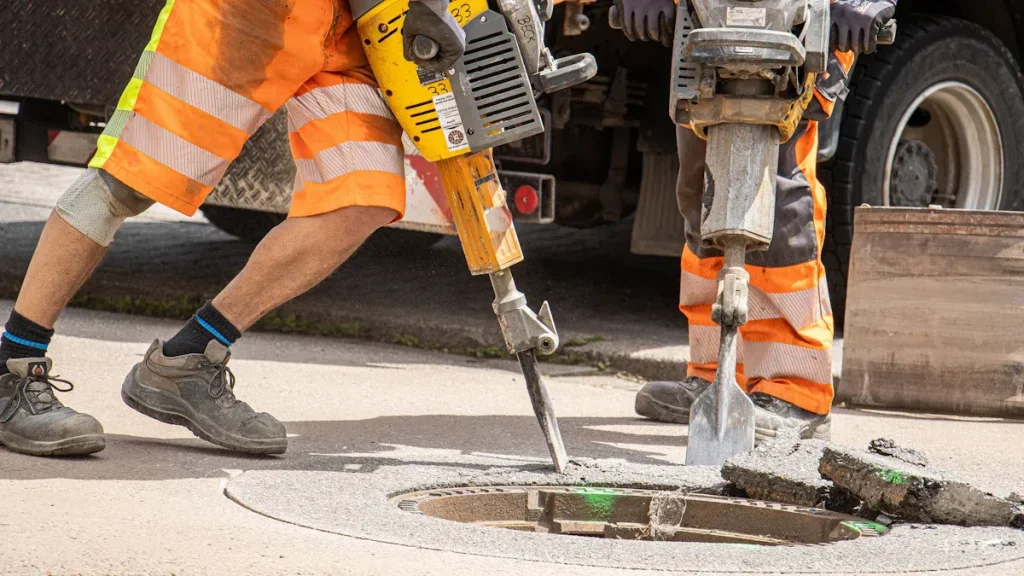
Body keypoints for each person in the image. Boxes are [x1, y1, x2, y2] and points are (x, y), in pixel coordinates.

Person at [0, 0, 465, 457]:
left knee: (362, 199)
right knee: (128, 180)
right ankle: (12, 369)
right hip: (246, 11)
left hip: (361, 26)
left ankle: (187, 361)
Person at [617, 0, 897, 440]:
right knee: (702, 188)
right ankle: (717, 373)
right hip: (708, 17)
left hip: (801, 19)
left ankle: (795, 389)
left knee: (778, 194)